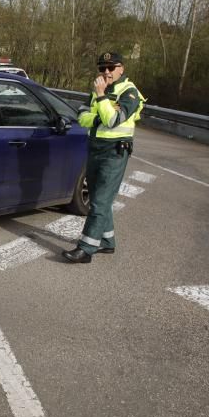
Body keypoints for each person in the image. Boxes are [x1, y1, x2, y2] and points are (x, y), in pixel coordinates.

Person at [63, 51, 145, 264]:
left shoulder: (129, 92)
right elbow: (82, 116)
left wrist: (100, 99)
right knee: (100, 196)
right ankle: (107, 242)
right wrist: (101, 111)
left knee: (98, 202)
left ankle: (86, 248)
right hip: (95, 148)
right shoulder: (99, 90)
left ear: (121, 68)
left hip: (115, 151)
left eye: (111, 67)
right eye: (102, 68)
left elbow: (113, 120)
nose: (106, 72)